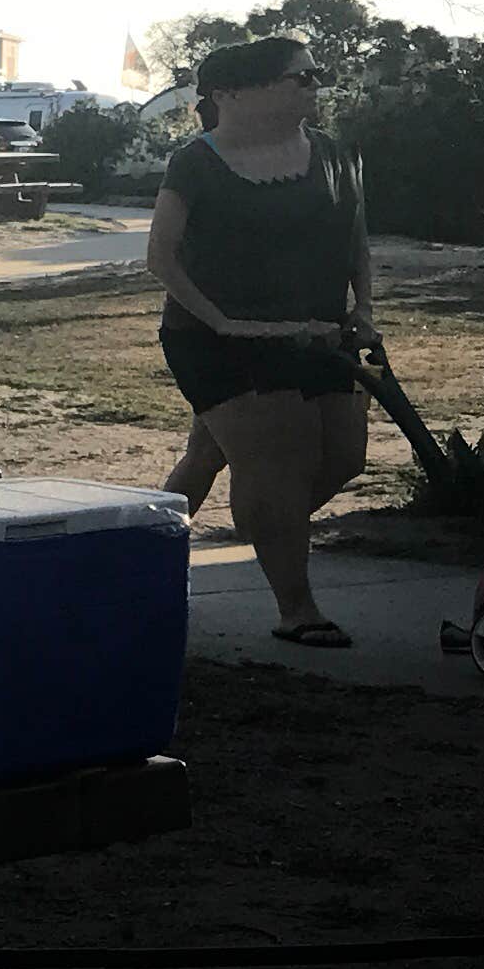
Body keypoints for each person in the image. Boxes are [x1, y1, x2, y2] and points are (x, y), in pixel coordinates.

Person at [143, 35, 375, 645]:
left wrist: (365, 308)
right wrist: (220, 322)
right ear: (233, 93)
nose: (315, 85)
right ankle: (297, 610)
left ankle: (135, 559)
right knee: (278, 464)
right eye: (301, 76)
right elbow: (161, 258)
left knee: (341, 457)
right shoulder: (197, 161)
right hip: (221, 340)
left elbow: (355, 238)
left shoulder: (330, 153)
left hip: (321, 334)